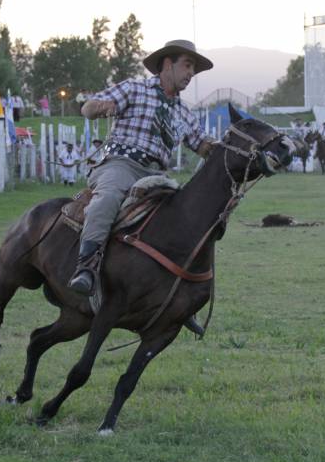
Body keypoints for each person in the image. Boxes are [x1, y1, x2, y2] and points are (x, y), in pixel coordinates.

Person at [68, 39, 215, 333]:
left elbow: (202, 145)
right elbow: (87, 108)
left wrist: (233, 148)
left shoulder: (185, 112)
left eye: (194, 70)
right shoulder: (134, 89)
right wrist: (100, 107)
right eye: (187, 65)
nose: (191, 73)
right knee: (108, 198)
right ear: (167, 64)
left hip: (156, 175)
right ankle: (86, 267)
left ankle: (180, 297)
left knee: (188, 219)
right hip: (121, 164)